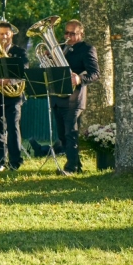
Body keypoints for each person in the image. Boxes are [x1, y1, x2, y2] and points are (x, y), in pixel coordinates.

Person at [30, 20, 99, 173]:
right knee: (62, 135)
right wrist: (47, 59)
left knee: (70, 133)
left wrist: (79, 79)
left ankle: (71, 167)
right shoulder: (59, 48)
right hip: (57, 98)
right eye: (66, 33)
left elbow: (95, 73)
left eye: (72, 33)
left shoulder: (87, 49)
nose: (68, 36)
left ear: (81, 34)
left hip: (74, 98)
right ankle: (77, 165)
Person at [0, 21, 28, 172]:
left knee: (13, 126)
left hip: (13, 94)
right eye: (1, 34)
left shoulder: (19, 52)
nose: (3, 37)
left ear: (12, 34)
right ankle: (2, 161)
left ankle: (15, 161)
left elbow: (25, 70)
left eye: (6, 34)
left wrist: (10, 80)